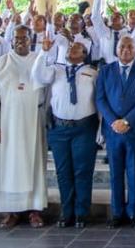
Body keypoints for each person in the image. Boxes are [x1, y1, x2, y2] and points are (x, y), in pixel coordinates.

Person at [0, 26, 49, 229]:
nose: (20, 41)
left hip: (34, 122)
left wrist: (46, 119)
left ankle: (34, 210)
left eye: (24, 38)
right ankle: (11, 212)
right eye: (16, 38)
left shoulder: (40, 61)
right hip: (7, 125)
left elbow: (49, 93)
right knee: (8, 167)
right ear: (10, 41)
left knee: (34, 166)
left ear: (31, 40)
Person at [33, 37, 99, 228]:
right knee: (63, 171)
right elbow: (38, 76)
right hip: (60, 128)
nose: (72, 49)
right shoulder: (56, 69)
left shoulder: (92, 72)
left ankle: (81, 212)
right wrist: (44, 52)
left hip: (84, 127)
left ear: (84, 54)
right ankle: (66, 211)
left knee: (82, 170)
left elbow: (99, 99)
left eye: (77, 48)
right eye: (70, 47)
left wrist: (100, 128)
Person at [96, 35, 135, 228]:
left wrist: (127, 120)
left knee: (134, 172)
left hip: (133, 129)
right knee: (115, 172)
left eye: (130, 47)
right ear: (116, 49)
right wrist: (113, 121)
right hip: (112, 130)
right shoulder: (105, 71)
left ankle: (134, 212)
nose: (126, 50)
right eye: (122, 47)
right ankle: (117, 212)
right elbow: (100, 99)